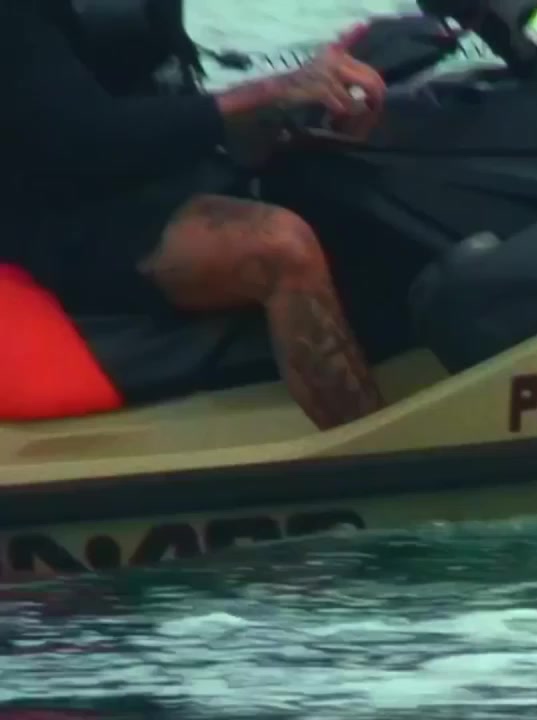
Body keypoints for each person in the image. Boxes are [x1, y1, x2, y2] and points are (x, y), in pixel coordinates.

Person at [0, 0, 388, 430]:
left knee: (337, 182)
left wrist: (294, 100)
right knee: (281, 248)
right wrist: (269, 91)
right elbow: (82, 139)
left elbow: (176, 75)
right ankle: (369, 451)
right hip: (59, 218)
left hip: (140, 173)